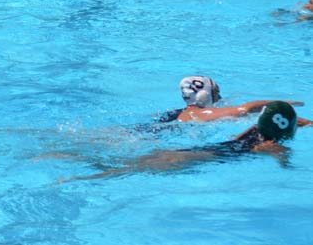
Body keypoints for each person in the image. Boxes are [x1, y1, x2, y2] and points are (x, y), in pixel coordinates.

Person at [62, 102, 312, 181]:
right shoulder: (268, 145)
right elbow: (282, 159)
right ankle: (72, 179)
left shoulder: (252, 132)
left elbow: (270, 120)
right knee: (121, 171)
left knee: (116, 164)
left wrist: (304, 122)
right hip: (192, 158)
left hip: (193, 151)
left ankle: (63, 156)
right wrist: (290, 165)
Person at [159, 76, 311, 124]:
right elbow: (246, 109)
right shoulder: (206, 113)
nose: (220, 98)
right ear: (203, 95)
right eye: (216, 92)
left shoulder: (174, 115)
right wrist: (283, 104)